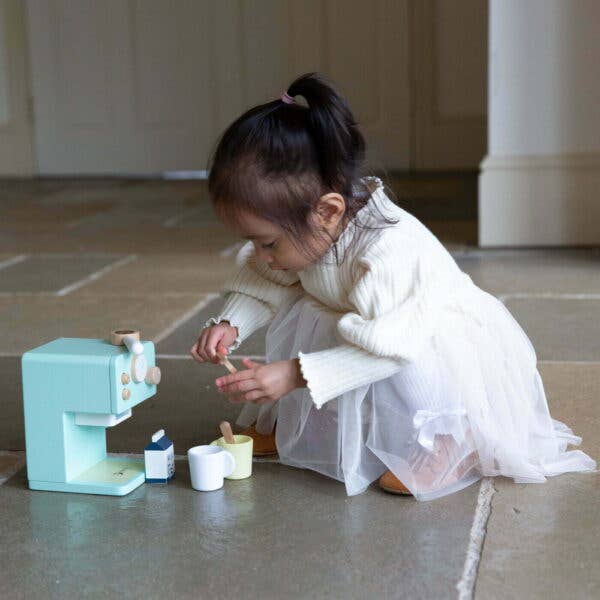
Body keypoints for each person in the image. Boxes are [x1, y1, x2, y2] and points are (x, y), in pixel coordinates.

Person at [190, 72, 596, 500]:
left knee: (409, 358)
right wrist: (231, 322)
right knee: (306, 312)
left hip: (415, 338)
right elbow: (268, 277)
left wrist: (295, 373)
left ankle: (451, 439)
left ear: (327, 211)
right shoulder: (313, 230)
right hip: (364, 327)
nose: (261, 253)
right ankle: (295, 422)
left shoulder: (388, 252)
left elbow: (390, 349)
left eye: (268, 242)